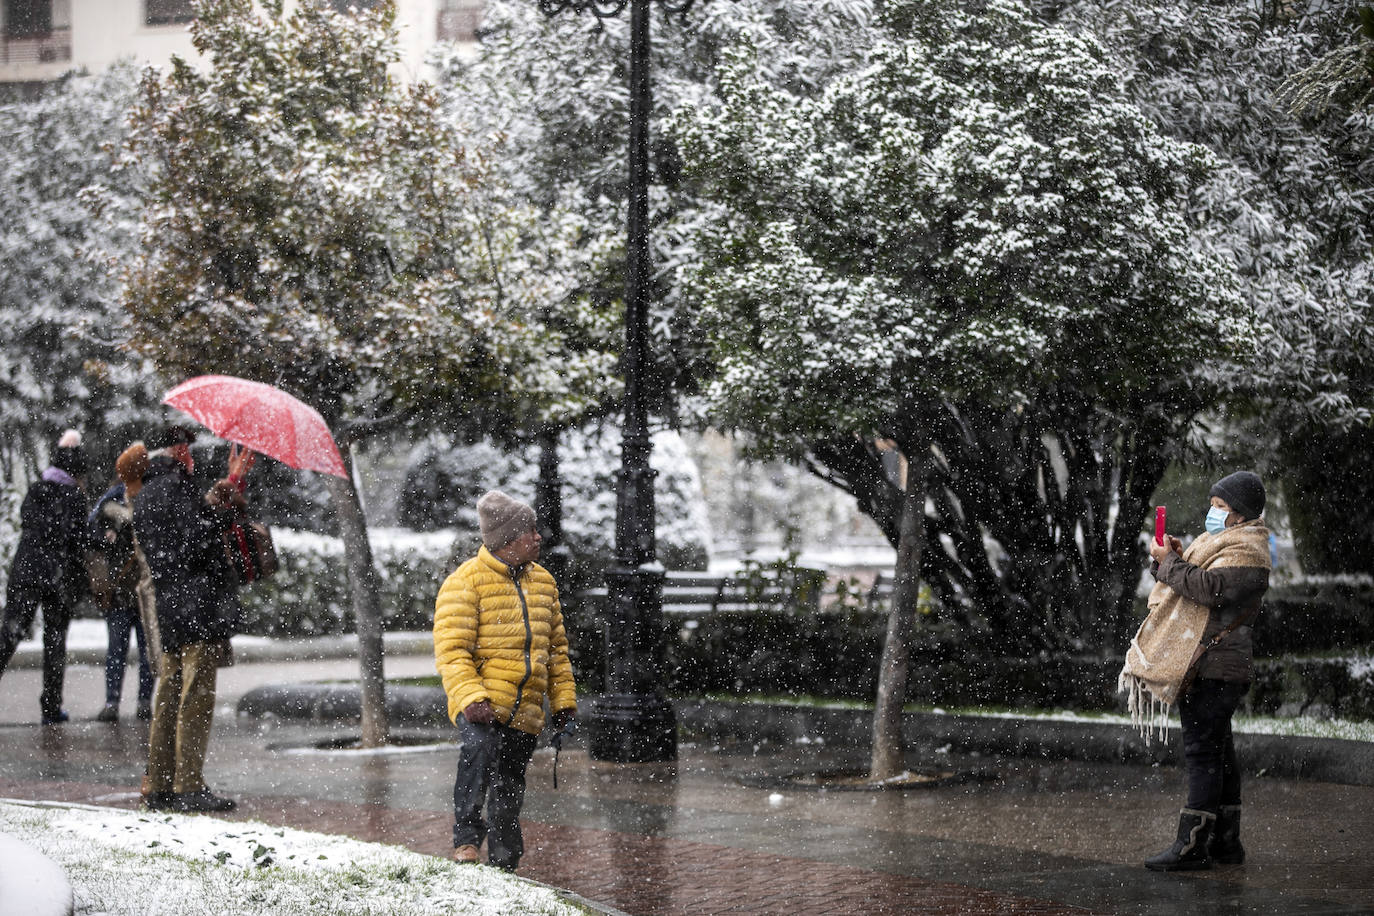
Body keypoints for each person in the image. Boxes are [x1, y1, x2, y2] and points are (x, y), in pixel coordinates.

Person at [1120, 470, 1271, 872]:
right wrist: (1172, 560)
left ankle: (1191, 846)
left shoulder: (1249, 551)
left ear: (1240, 514)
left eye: (1220, 507)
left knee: (1203, 752)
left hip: (1215, 665)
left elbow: (1206, 589)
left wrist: (1171, 563)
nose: (1213, 513)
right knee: (1218, 752)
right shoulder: (1223, 543)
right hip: (1212, 665)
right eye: (1213, 505)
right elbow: (1191, 582)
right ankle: (1225, 842)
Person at [433, 490, 577, 872]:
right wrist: (471, 697)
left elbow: (556, 651)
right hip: (481, 703)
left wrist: (563, 702)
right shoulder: (465, 582)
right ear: (508, 539)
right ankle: (465, 840)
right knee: (478, 755)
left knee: (509, 788)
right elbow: (452, 650)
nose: (538, 537)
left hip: (525, 709)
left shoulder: (544, 583)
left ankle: (504, 864)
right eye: (530, 531)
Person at [133, 425, 255, 813]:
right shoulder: (173, 487)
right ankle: (188, 785)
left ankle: (160, 784)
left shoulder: (149, 491)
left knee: (168, 695)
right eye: (188, 449)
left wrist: (225, 488)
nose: (192, 456)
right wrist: (224, 515)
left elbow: (180, 533)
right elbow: (194, 540)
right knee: (196, 696)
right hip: (196, 606)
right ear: (178, 450)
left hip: (172, 607)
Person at [0, 430, 90, 724]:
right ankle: (51, 707)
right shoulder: (74, 497)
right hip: (56, 578)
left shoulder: (36, 490)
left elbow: (30, 523)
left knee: (9, 636)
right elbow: (79, 541)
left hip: (26, 572)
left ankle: (51, 704)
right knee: (55, 643)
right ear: (75, 473)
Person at [88, 476, 156, 722]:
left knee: (143, 651)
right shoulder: (110, 506)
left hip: (140, 592)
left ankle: (140, 702)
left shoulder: (147, 504)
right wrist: (111, 531)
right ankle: (114, 701)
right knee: (119, 650)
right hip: (122, 593)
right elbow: (93, 539)